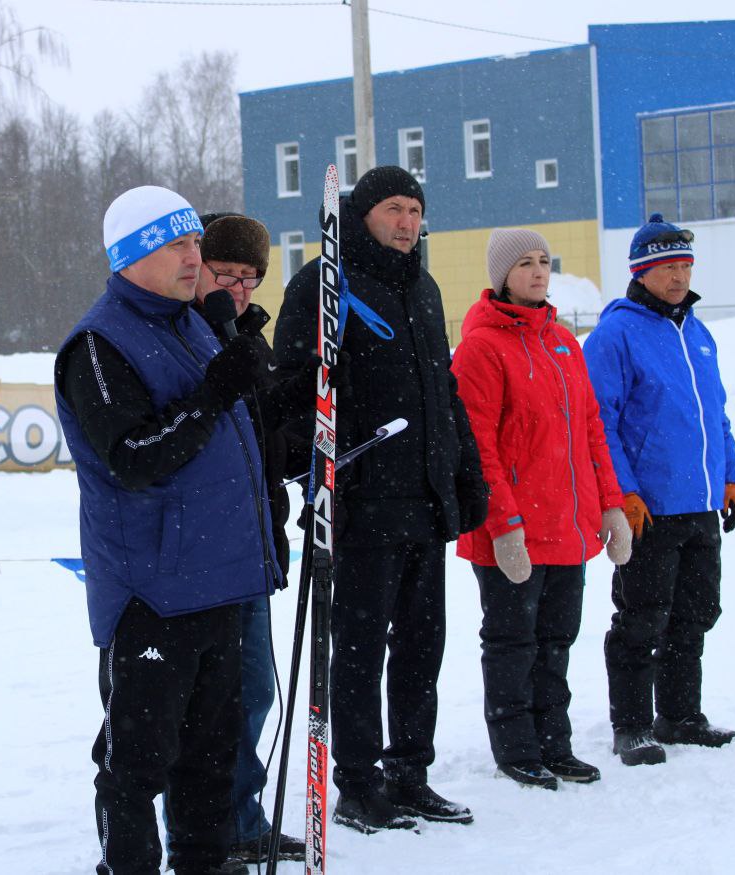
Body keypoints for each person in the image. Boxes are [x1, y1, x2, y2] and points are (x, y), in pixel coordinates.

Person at [54, 186, 282, 875]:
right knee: (139, 759)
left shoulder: (197, 322)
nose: (194, 258)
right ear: (131, 256)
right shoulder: (99, 343)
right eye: (176, 245)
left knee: (212, 754)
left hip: (221, 578)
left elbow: (238, 445)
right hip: (153, 590)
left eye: (193, 243)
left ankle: (204, 861)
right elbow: (133, 459)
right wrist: (216, 389)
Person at [273, 165, 488, 833]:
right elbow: (291, 389)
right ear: (362, 214)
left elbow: (442, 389)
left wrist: (466, 471)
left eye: (414, 210)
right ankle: (359, 782)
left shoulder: (422, 287)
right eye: (393, 208)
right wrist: (317, 461)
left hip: (424, 500)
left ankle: (409, 772)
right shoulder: (322, 284)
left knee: (424, 645)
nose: (406, 222)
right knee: (360, 650)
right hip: (361, 502)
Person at [451, 228, 632, 791]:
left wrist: (611, 505)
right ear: (501, 274)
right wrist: (504, 526)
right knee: (512, 641)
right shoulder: (482, 347)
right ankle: (516, 746)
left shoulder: (563, 343)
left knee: (557, 640)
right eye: (524, 263)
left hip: (568, 527)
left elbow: (592, 432)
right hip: (516, 531)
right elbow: (478, 446)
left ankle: (556, 742)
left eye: (544, 262)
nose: (537, 272)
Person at [583, 213, 735, 767]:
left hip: (699, 502)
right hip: (648, 508)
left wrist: (730, 476)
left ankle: (680, 715)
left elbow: (715, 414)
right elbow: (599, 421)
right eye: (667, 267)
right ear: (641, 271)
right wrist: (624, 493)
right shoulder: (615, 334)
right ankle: (631, 724)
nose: (678, 276)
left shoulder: (699, 333)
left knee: (696, 614)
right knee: (641, 617)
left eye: (684, 265)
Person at [188, 212, 309, 864]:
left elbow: (269, 453)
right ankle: (216, 823)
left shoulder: (251, 343)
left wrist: (302, 402)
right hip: (206, 556)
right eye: (225, 273)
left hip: (255, 550)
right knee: (221, 698)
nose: (237, 287)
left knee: (255, 689)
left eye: (249, 276)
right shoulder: (190, 337)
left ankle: (240, 815)